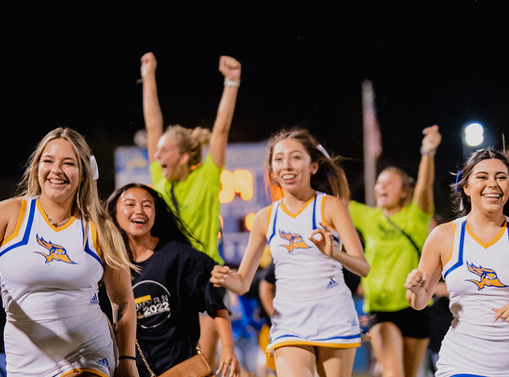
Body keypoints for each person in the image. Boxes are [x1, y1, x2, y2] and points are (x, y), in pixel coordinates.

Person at [0, 127, 139, 377]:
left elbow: (123, 302)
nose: (56, 170)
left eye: (68, 163)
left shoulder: (100, 227)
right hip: (25, 364)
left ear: (83, 173)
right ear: (37, 167)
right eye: (48, 161)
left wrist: (127, 360)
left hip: (88, 354)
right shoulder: (11, 213)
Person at [211, 128, 370, 377]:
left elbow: (363, 267)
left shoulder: (330, 205)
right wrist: (223, 277)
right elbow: (242, 283)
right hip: (289, 321)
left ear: (313, 166)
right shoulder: (265, 217)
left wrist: (335, 254)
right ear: (272, 171)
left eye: (296, 157)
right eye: (279, 159)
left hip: (333, 315)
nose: (287, 165)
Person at [403, 144, 509, 377]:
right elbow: (418, 302)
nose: (493, 184)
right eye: (482, 177)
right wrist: (415, 289)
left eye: (501, 177)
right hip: (462, 364)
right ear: (466, 187)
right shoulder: (444, 236)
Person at [107, 183, 239, 375]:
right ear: (115, 213)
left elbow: (216, 302)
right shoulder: (111, 268)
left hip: (183, 370)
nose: (139, 211)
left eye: (147, 205)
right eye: (130, 204)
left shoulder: (180, 257)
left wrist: (228, 348)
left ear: (155, 212)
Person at [355, 125, 442, 377]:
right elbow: (333, 202)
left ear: (404, 191)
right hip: (380, 308)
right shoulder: (367, 216)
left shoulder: (415, 217)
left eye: (390, 182)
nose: (382, 186)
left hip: (414, 306)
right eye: (379, 182)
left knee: (410, 374)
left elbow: (425, 186)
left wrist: (428, 152)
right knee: (394, 373)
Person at [141, 52, 240, 264]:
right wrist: (148, 76)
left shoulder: (206, 178)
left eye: (165, 150)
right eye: (158, 150)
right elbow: (152, 127)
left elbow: (221, 129)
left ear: (184, 158)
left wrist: (231, 80)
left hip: (205, 271)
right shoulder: (161, 178)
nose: (157, 155)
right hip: (170, 272)